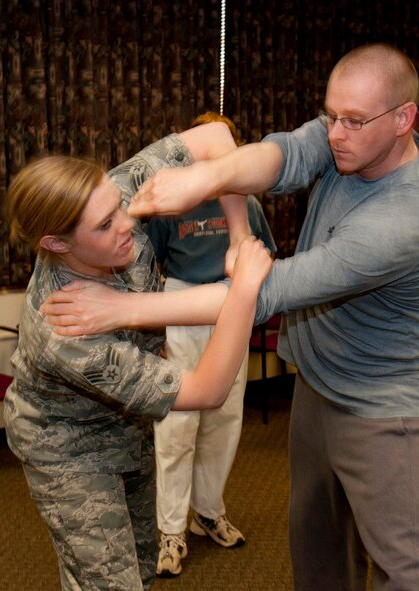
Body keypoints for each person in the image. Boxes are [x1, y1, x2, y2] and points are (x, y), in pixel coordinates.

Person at [42, 42, 419, 590]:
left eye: (352, 121)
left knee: (411, 569)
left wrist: (126, 307)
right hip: (320, 381)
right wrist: (208, 180)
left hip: (387, 405)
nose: (335, 133)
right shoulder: (346, 140)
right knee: (318, 546)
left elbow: (263, 292)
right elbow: (280, 155)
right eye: (330, 115)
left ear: (405, 119)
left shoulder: (405, 219)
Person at [3, 123, 272, 591]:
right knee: (111, 585)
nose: (128, 222)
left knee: (142, 567)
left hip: (127, 423)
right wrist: (244, 288)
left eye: (117, 208)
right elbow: (207, 390)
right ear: (56, 244)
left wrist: (237, 235)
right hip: (69, 449)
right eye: (105, 225)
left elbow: (215, 139)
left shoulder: (111, 195)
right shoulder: (63, 326)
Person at [147, 112, 277, 577]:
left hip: (230, 310)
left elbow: (265, 259)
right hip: (183, 308)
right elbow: (151, 269)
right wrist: (155, 335)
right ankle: (170, 530)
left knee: (224, 418)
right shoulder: (173, 203)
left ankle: (207, 511)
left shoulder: (246, 204)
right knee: (178, 426)